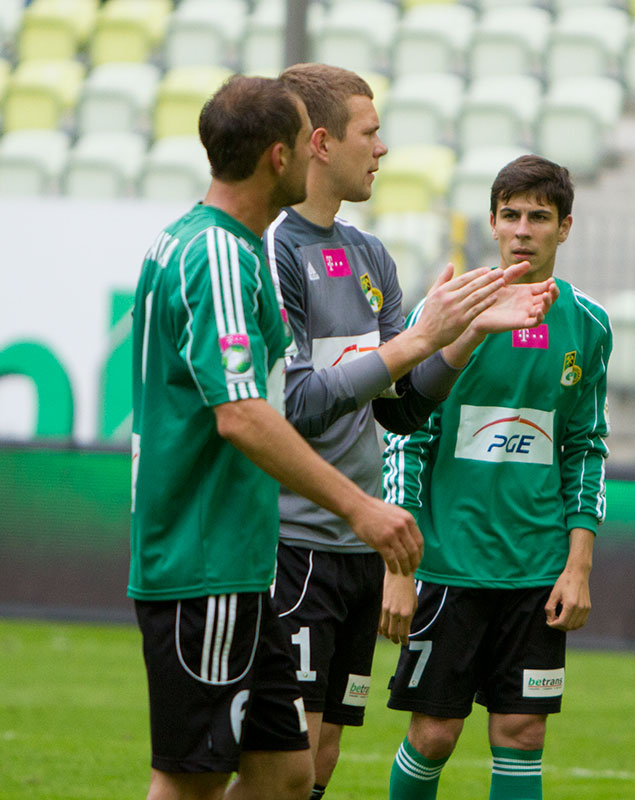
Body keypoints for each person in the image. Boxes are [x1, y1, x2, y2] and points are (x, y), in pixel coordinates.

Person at [266, 63, 558, 800]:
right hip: (292, 541)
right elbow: (294, 406)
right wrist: (420, 340)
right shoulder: (274, 251)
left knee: (323, 758)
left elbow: (398, 409)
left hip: (356, 547)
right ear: (322, 143)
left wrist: (461, 336)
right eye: (370, 132)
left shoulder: (369, 256)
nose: (383, 148)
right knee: (288, 761)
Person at [129, 76, 421, 800]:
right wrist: (361, 506)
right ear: (279, 156)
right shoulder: (220, 255)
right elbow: (245, 413)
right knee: (189, 783)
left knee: (286, 774)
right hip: (205, 561)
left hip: (240, 562)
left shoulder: (208, 242)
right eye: (302, 141)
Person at [380, 155, 611, 800]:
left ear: (565, 227)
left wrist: (578, 565)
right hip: (449, 565)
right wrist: (400, 567)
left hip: (536, 571)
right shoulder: (449, 312)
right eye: (510, 215)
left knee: (522, 732)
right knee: (434, 734)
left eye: (539, 217)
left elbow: (585, 449)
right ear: (491, 222)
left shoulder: (588, 325)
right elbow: (406, 437)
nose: (522, 230)